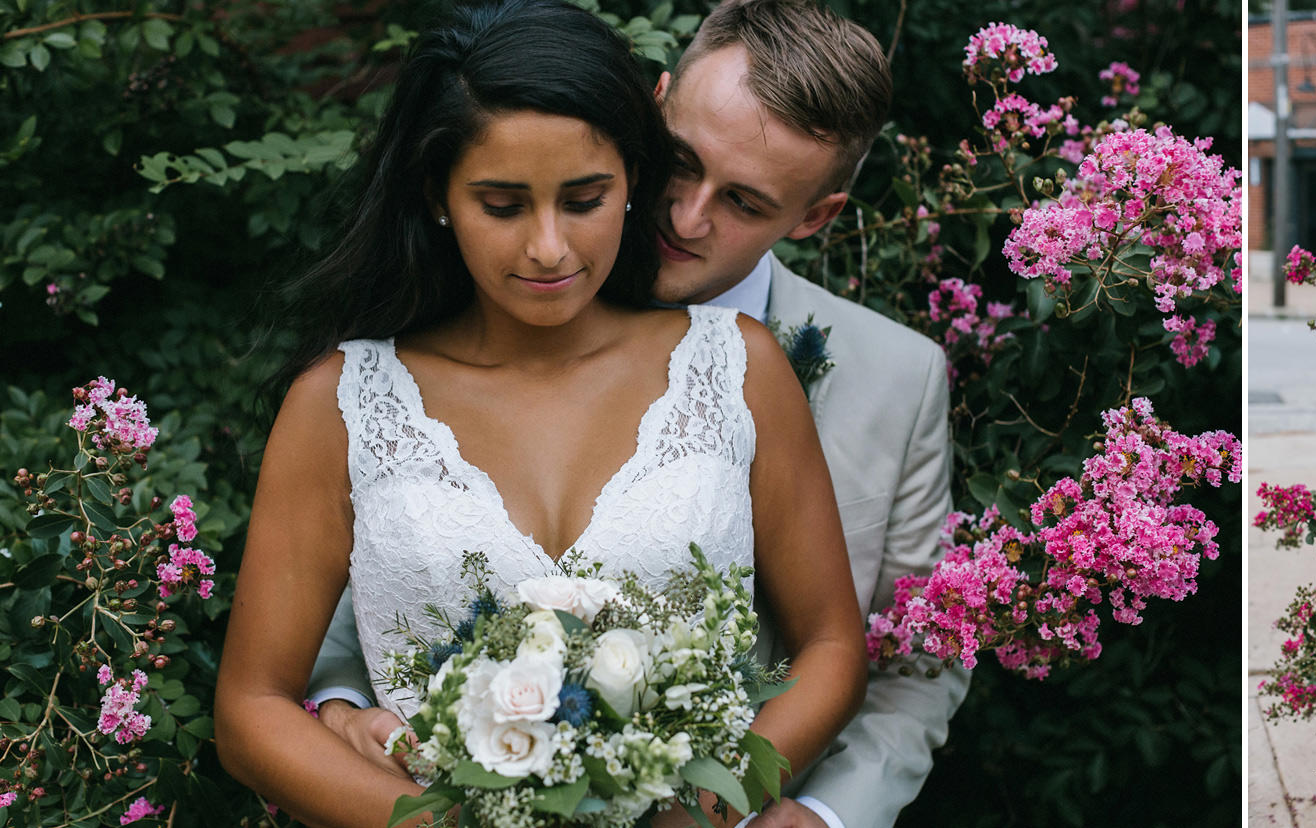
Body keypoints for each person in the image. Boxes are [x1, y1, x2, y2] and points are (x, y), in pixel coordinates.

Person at [304, 2, 968, 826]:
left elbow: (911, 665)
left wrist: (823, 816)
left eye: (745, 203)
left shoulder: (897, 380)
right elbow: (385, 563)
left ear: (814, 217)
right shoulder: (461, 304)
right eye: (681, 163)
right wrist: (335, 704)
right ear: (651, 108)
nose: (685, 217)